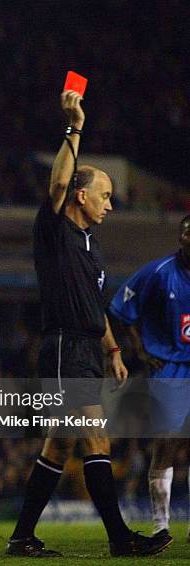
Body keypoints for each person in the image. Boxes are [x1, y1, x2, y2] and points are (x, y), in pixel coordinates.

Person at [6, 90, 169, 558]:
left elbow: (97, 308)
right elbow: (57, 184)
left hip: (86, 348)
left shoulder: (91, 245)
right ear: (82, 195)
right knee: (97, 436)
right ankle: (120, 539)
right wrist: (74, 126)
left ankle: (21, 537)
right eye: (105, 196)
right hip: (62, 348)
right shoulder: (55, 230)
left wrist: (114, 350)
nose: (110, 205)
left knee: (59, 448)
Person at [110, 215, 190, 545]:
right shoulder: (158, 273)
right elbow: (121, 309)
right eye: (188, 232)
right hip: (170, 367)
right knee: (166, 442)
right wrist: (140, 350)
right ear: (181, 238)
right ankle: (161, 525)